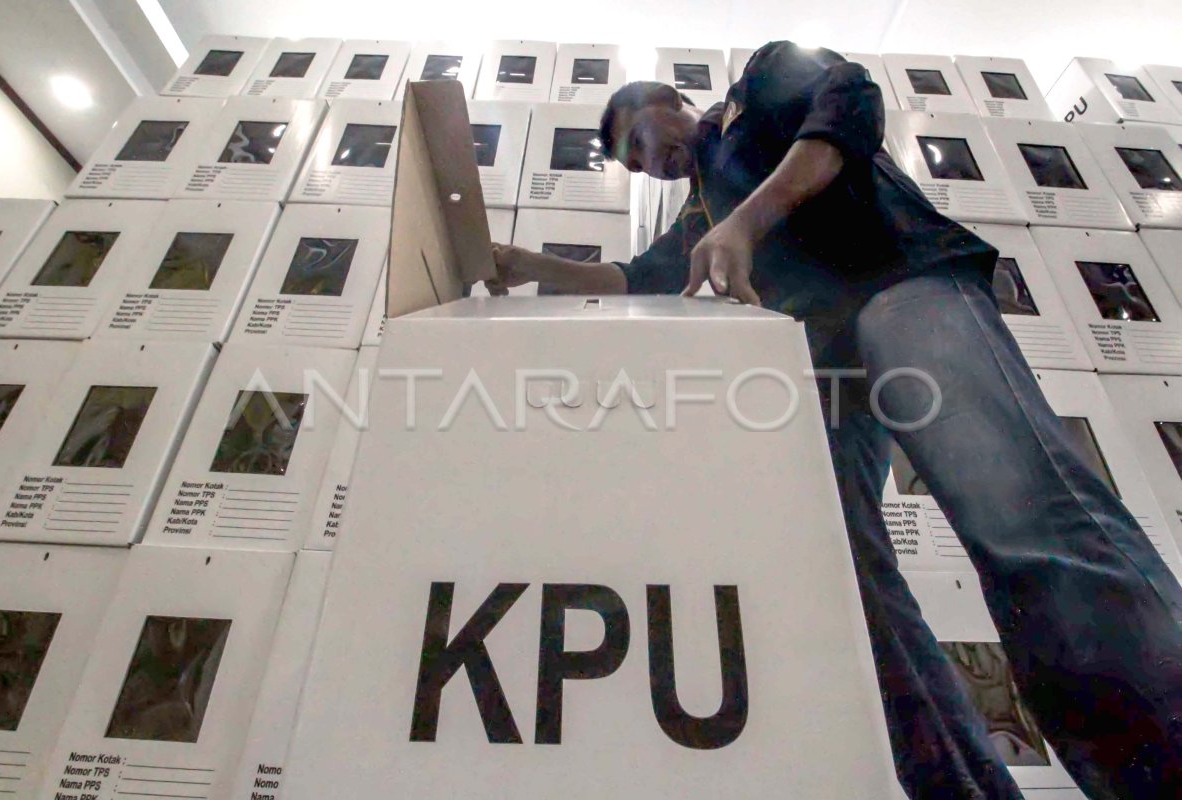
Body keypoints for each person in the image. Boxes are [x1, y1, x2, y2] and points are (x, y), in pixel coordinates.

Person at [487, 41, 1182, 800]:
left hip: (904, 284)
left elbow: (849, 103)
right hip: (824, 364)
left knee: (1023, 519)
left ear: (666, 103)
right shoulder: (700, 209)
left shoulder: (763, 81)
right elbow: (629, 280)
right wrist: (525, 264)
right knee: (847, 585)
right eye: (635, 167)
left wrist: (748, 225)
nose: (649, 164)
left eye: (640, 143)